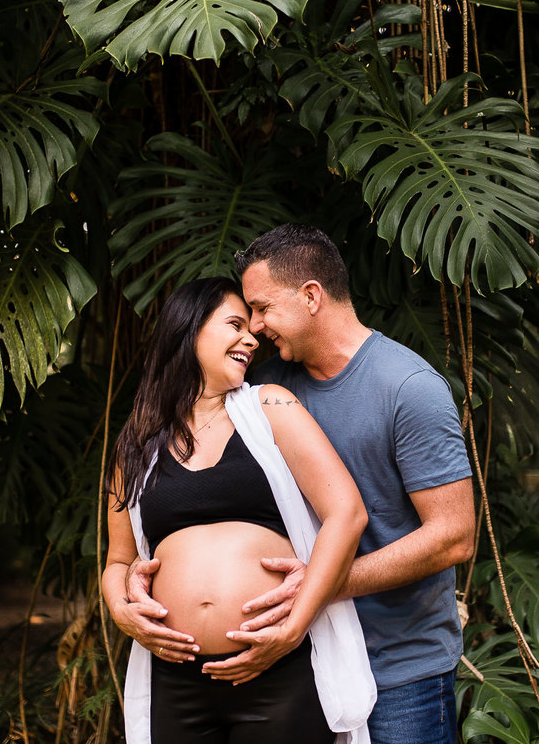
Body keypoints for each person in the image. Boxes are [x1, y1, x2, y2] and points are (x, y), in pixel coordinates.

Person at [126, 226, 474, 741]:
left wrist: (315, 588)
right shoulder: (260, 389)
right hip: (307, 655)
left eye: (262, 308)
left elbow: (454, 536)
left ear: (311, 296)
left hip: (397, 662)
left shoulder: (408, 388)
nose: (255, 327)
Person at [102, 276, 376, 744]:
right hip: (176, 678)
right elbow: (118, 560)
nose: (251, 339)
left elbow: (347, 513)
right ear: (189, 329)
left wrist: (293, 629)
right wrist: (120, 610)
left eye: (251, 330)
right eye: (235, 325)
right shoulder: (136, 445)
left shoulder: (271, 406)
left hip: (278, 670)